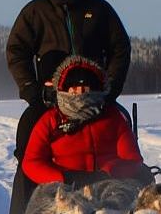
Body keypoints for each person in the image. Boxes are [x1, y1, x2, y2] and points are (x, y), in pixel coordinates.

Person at [5, 0, 131, 214]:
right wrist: (32, 90)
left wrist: (110, 88)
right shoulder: (35, 12)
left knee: (119, 146)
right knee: (28, 150)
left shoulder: (98, 10)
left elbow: (120, 48)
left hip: (96, 98)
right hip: (49, 100)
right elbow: (16, 51)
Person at [21, 56, 144, 189]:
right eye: (74, 90)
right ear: (64, 91)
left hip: (108, 188)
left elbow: (133, 160)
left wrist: (108, 173)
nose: (79, 95)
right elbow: (32, 163)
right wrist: (63, 178)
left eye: (85, 90)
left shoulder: (113, 118)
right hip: (63, 191)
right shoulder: (50, 120)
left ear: (96, 90)